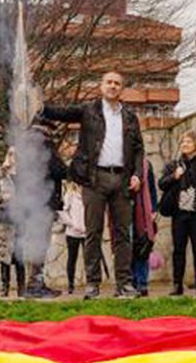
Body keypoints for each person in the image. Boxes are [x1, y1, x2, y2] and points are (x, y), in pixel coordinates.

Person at [40, 71, 144, 300]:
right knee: (92, 233)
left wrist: (137, 174)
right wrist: (40, 106)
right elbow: (63, 113)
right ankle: (92, 284)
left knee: (122, 235)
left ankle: (124, 284)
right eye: (109, 82)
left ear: (122, 88)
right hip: (94, 179)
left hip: (122, 179)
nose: (113, 86)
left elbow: (138, 149)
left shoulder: (129, 116)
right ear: (101, 86)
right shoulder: (89, 110)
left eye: (117, 83)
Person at [159, 132, 196, 296]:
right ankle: (177, 284)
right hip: (179, 214)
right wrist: (174, 176)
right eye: (183, 141)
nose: (184, 144)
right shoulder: (174, 165)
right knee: (178, 249)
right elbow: (162, 184)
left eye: (188, 141)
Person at [21, 118, 67, 299]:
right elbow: (58, 170)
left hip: (31, 201)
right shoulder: (44, 144)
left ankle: (35, 283)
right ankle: (34, 285)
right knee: (40, 244)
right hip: (43, 201)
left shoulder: (25, 144)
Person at [0, 147, 25, 298]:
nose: (13, 157)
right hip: (6, 216)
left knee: (20, 253)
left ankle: (22, 287)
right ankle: (5, 286)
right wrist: (3, 197)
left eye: (15, 154)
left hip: (20, 216)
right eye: (10, 154)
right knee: (5, 254)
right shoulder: (1, 173)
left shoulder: (24, 174)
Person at [131, 158, 158, 297]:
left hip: (143, 211)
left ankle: (142, 283)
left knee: (143, 248)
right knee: (127, 248)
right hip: (126, 210)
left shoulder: (146, 165)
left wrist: (153, 209)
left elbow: (152, 188)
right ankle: (130, 282)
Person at [59, 181, 85, 294]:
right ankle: (71, 284)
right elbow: (63, 212)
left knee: (89, 258)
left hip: (87, 232)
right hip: (72, 232)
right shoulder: (70, 194)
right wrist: (73, 224)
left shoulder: (88, 194)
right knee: (72, 258)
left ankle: (91, 283)